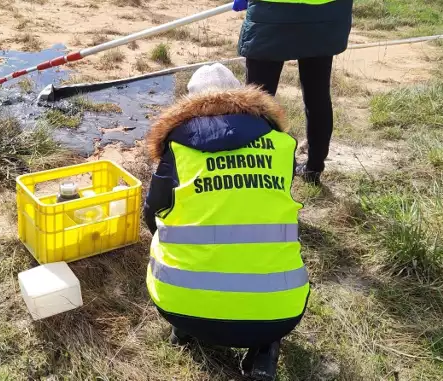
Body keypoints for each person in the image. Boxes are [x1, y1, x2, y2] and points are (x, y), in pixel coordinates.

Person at [143, 63, 309, 381]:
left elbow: (152, 214)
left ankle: (184, 328)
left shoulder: (178, 149)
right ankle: (264, 352)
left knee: (165, 229)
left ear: (188, 106)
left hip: (179, 303)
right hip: (276, 313)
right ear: (244, 99)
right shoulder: (281, 146)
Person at [234, 0, 354, 185]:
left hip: (272, 12)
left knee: (256, 100)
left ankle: (254, 169)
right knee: (318, 93)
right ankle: (314, 168)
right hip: (325, 12)